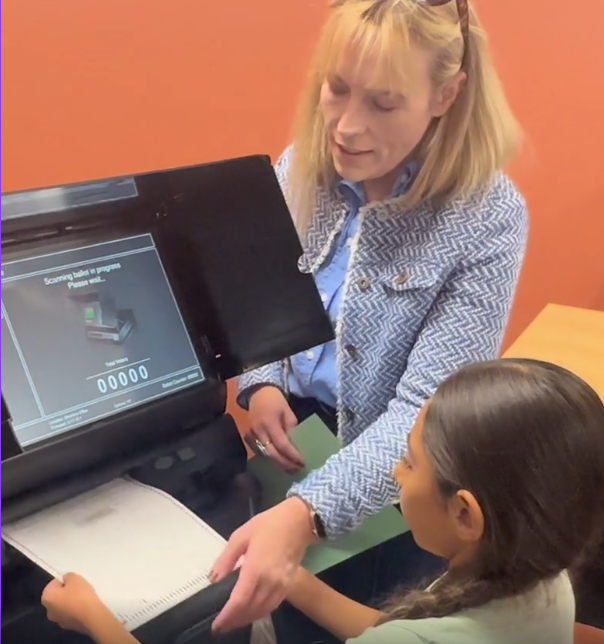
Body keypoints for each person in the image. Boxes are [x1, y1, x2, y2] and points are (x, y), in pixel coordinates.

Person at [211, 0, 529, 634]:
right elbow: (266, 297)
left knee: (355, 621)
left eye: (384, 104)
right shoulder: (300, 165)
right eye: (336, 88)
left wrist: (307, 513)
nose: (347, 127)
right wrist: (264, 381)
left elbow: (424, 409)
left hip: (398, 477)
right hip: (295, 442)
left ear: (447, 94)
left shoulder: (488, 219)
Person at [41, 359, 604, 644]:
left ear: (465, 513)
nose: (394, 472)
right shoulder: (542, 581)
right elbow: (388, 629)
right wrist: (296, 581)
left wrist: (97, 619)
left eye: (408, 462)